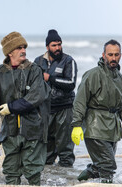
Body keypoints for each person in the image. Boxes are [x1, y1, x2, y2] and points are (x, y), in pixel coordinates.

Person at [0, 31, 50, 185]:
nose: (23, 50)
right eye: (19, 48)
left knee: (33, 170)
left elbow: (36, 96)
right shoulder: (0, 73)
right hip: (10, 130)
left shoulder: (34, 70)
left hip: (33, 129)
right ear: (9, 52)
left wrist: (11, 107)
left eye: (24, 47)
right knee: (11, 171)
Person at [71, 39, 122, 183]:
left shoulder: (119, 77)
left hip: (112, 128)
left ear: (120, 55)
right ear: (103, 55)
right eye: (110, 54)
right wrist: (76, 125)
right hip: (95, 127)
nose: (113, 58)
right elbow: (80, 101)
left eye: (116, 55)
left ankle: (77, 182)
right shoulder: (93, 75)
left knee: (100, 167)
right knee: (108, 165)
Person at [34, 29, 77, 167]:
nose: (58, 48)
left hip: (65, 109)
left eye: (59, 44)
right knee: (46, 150)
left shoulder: (68, 61)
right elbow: (33, 84)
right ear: (47, 47)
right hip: (45, 110)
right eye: (54, 45)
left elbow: (71, 84)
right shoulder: (38, 61)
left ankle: (68, 179)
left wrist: (50, 78)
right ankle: (50, 179)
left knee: (65, 150)